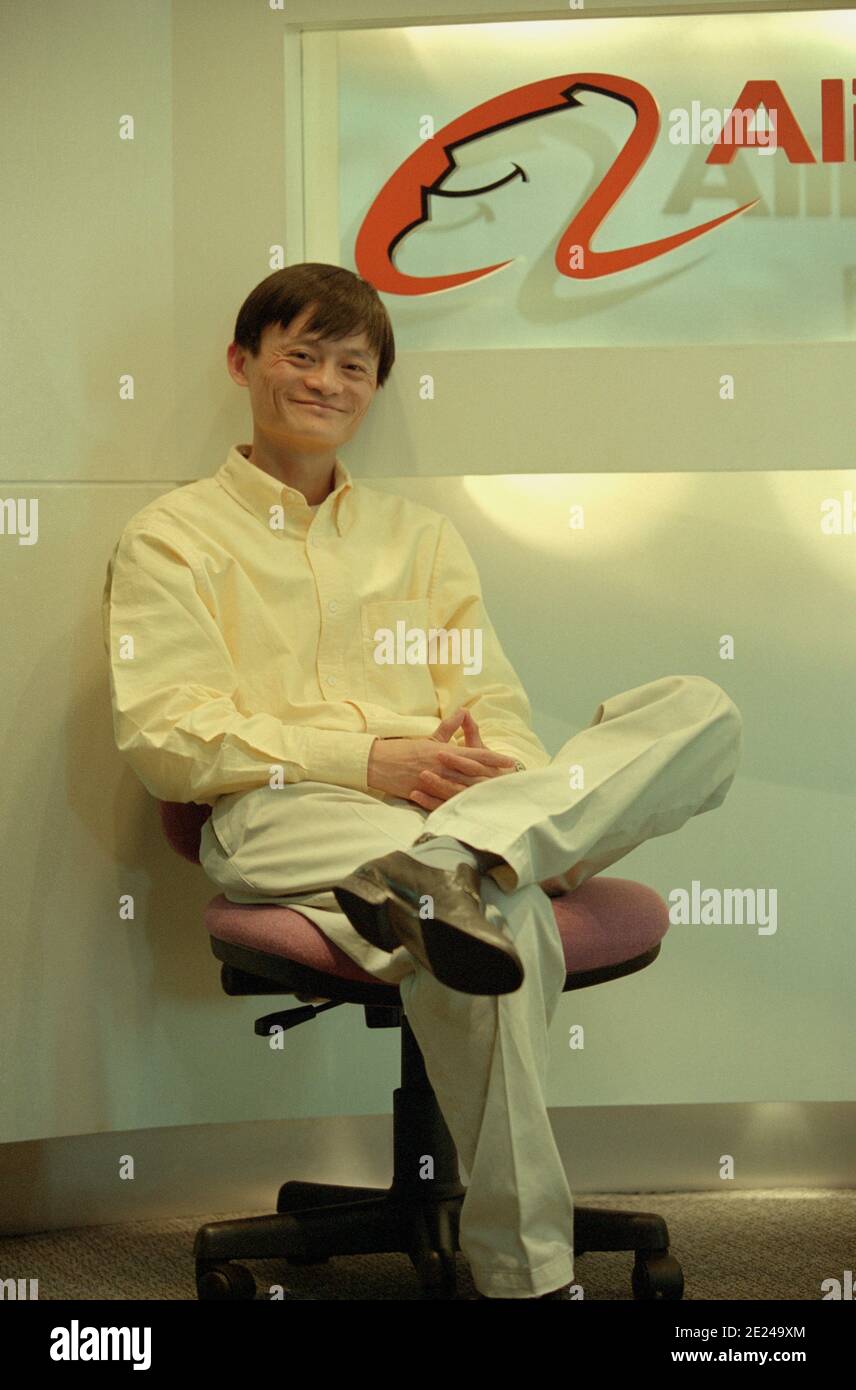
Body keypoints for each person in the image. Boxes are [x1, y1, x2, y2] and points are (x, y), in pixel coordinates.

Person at [102, 262, 743, 1300]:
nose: (325, 381)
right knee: (499, 918)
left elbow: (492, 703)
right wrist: (369, 759)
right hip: (286, 814)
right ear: (243, 362)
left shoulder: (419, 538)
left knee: (697, 713)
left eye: (351, 365)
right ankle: (527, 1279)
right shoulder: (173, 538)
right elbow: (164, 738)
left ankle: (464, 859)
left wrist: (500, 789)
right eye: (301, 355)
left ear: (373, 388)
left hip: (454, 818)